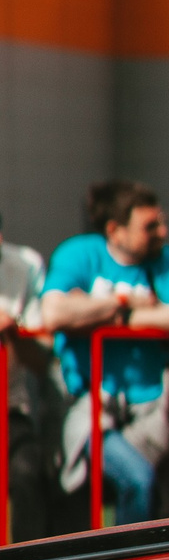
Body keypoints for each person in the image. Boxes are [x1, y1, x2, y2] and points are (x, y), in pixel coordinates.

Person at [41, 181, 169, 527]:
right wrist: (121, 302)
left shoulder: (163, 260)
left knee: (154, 493)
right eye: (150, 226)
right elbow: (54, 313)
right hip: (91, 403)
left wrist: (127, 318)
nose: (162, 232)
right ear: (114, 231)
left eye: (161, 222)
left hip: (150, 405)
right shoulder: (81, 253)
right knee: (135, 479)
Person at [1, 215, 62, 541]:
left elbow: (41, 358)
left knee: (27, 474)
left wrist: (15, 334)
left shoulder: (22, 265)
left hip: (10, 407)